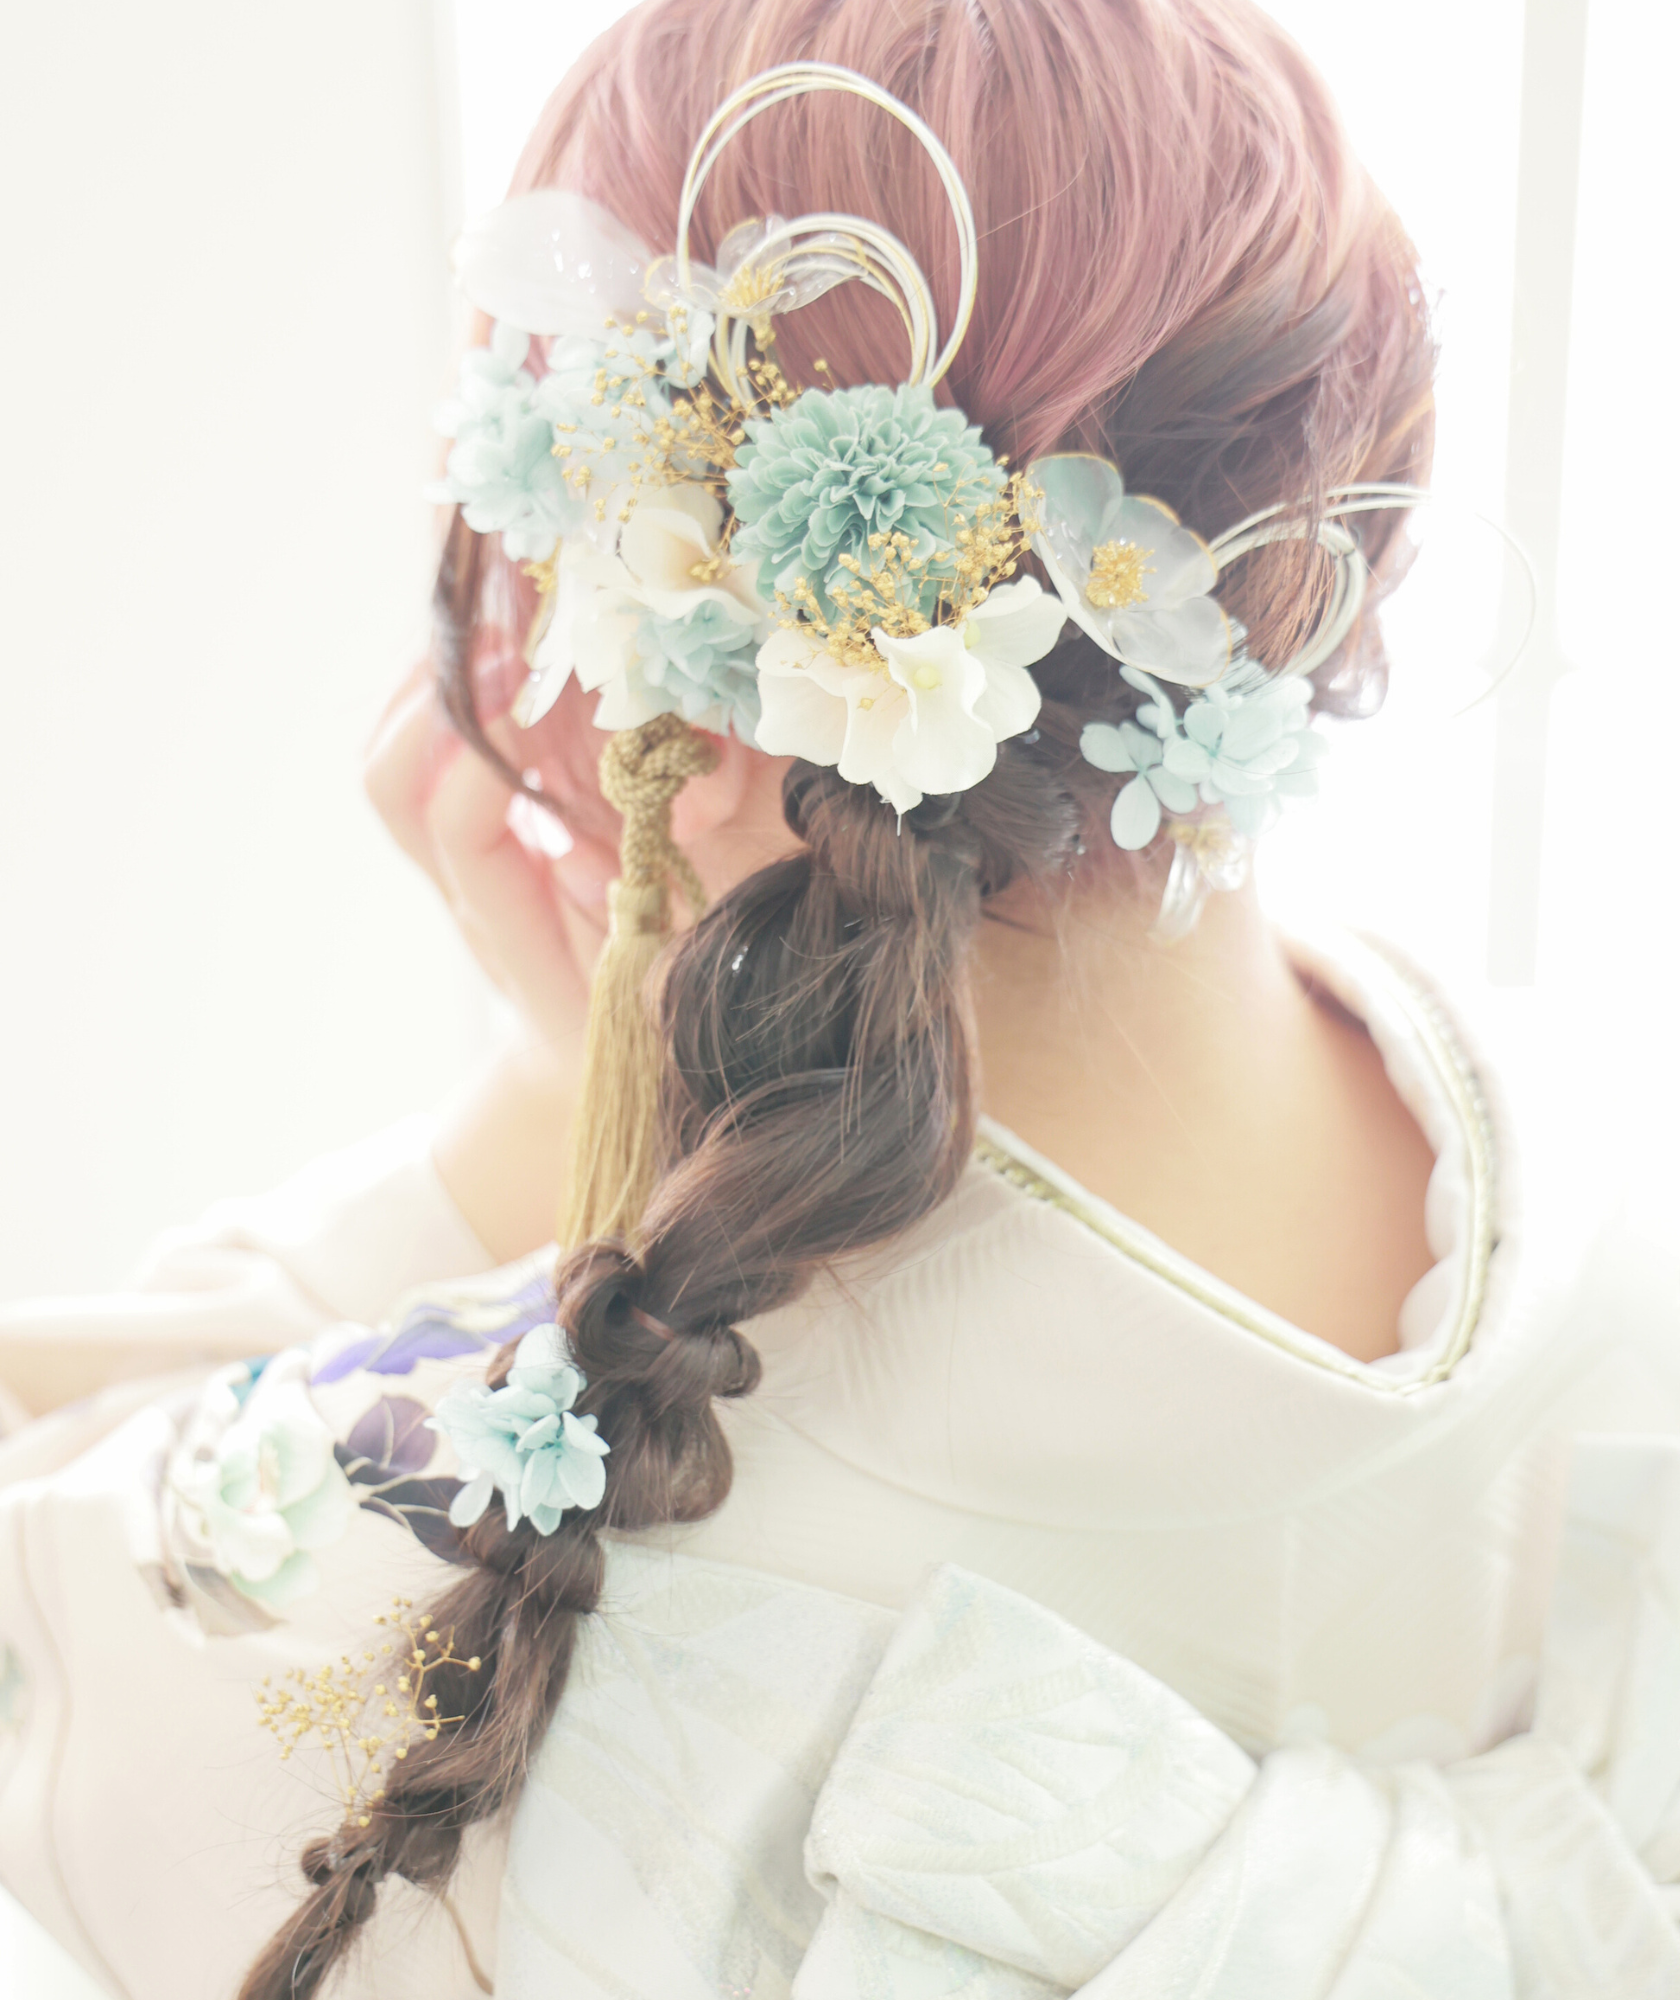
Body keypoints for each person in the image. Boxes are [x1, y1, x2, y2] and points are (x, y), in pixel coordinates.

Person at [4, 2, 1680, 1996]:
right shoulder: (1619, 1177)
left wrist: (541, 1142)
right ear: (1312, 563)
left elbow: (53, 1566)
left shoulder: (488, 1541)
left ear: (674, 652)